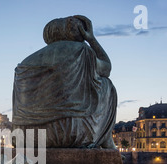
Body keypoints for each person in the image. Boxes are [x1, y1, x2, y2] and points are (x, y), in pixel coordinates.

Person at [12, 16, 117, 149]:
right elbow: (107, 68)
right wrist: (91, 39)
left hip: (24, 136)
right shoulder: (82, 50)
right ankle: (107, 142)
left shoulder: (26, 61)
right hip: (68, 134)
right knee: (107, 84)